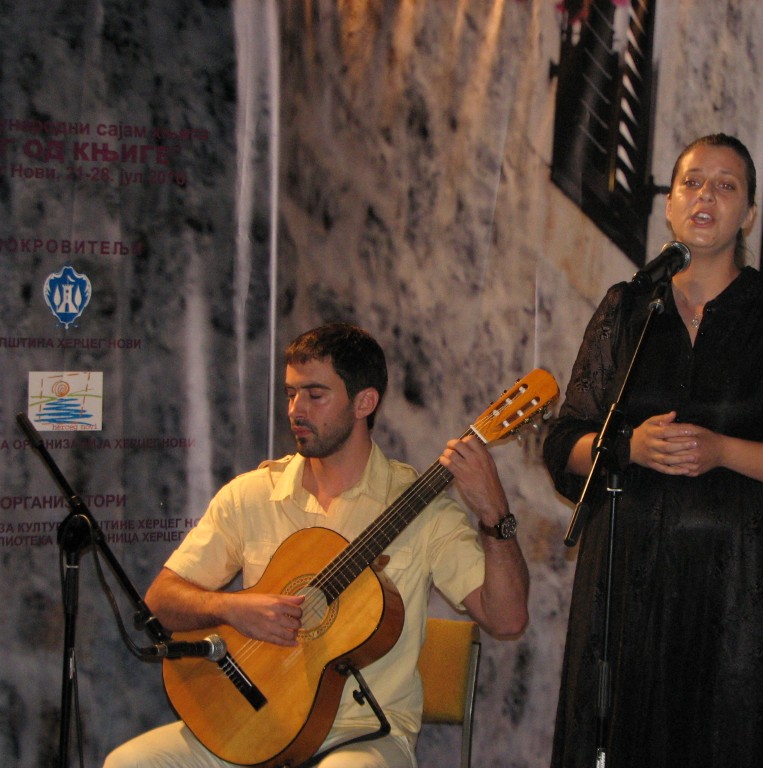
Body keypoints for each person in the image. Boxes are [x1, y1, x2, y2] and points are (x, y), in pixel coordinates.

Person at [542, 133, 763, 767]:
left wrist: (723, 450)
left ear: (749, 214)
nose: (705, 195)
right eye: (691, 181)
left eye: (725, 185)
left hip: (735, 584)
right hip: (624, 577)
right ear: (669, 204)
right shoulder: (628, 306)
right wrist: (628, 447)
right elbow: (563, 441)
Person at [105, 323, 529, 768]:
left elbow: (507, 619)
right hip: (251, 722)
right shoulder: (251, 495)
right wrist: (231, 609)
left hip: (363, 734)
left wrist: (494, 514)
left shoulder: (424, 510)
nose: (295, 409)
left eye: (314, 395)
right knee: (128, 763)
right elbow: (161, 603)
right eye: (291, 393)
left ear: (365, 402)